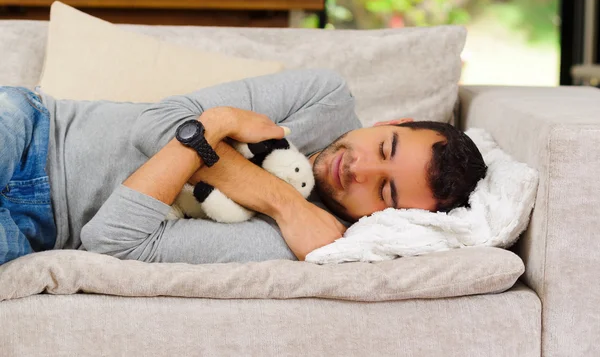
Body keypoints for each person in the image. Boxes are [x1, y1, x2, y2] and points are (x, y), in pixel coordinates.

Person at [0, 69, 486, 265]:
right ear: (391, 122)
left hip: (28, 232)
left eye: (384, 193)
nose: (357, 170)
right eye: (384, 148)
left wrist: (213, 128)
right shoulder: (325, 97)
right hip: (34, 129)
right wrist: (218, 128)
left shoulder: (306, 237)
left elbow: (109, 240)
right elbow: (158, 123)